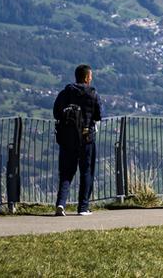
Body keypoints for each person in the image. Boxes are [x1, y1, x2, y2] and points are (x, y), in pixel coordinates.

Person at [53, 64, 103, 216]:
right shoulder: (92, 93)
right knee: (86, 171)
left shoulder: (65, 93)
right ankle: (83, 207)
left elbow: (56, 113)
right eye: (91, 76)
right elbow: (99, 114)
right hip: (86, 138)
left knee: (66, 173)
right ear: (87, 77)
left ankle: (61, 204)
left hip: (67, 139)